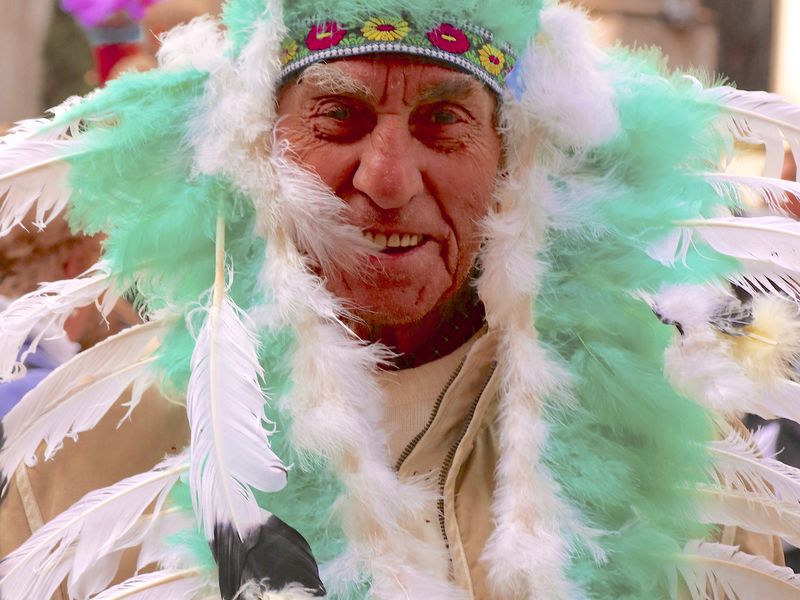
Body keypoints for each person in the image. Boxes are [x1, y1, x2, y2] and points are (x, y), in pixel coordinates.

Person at [1, 1, 800, 599]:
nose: (386, 178)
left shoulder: (680, 458)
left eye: (443, 121)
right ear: (255, 148)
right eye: (338, 117)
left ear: (511, 161)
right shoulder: (87, 462)